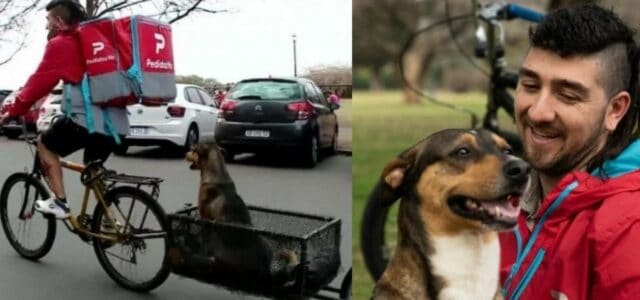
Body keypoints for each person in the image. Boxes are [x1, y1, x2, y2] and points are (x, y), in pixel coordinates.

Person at [499, 4, 640, 299]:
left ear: (615, 109)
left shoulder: (627, 230)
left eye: (567, 95)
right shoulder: (494, 200)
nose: (538, 112)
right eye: (530, 85)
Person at [0, 0, 129, 219]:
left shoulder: (62, 43)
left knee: (45, 144)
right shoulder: (98, 39)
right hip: (117, 123)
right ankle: (112, 222)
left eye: (48, 20)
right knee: (93, 169)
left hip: (85, 122)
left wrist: (12, 110)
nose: (46, 26)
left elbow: (38, 83)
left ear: (59, 21)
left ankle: (60, 203)